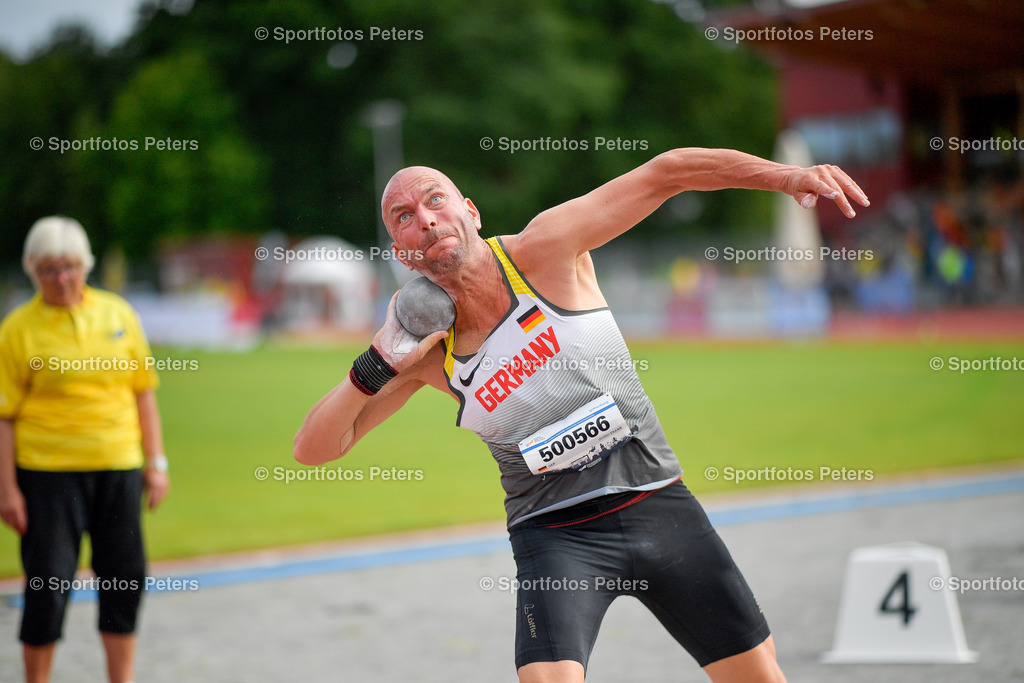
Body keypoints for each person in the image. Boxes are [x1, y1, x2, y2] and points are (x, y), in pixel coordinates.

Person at [294, 148, 868, 682]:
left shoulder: (544, 250)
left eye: (435, 199)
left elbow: (667, 172)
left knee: (758, 678)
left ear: (468, 210)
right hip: (554, 536)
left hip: (658, 502)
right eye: (404, 216)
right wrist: (376, 363)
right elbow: (317, 448)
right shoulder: (427, 349)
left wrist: (789, 177)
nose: (425, 218)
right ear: (400, 249)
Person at [0, 216, 170, 683]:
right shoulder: (17, 329)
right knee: (48, 586)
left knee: (124, 580)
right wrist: (7, 489)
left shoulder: (117, 314)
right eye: (49, 269)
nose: (61, 278)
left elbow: (143, 392)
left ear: (85, 265)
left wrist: (156, 464)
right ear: (33, 271)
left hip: (118, 467)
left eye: (70, 267)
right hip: (47, 474)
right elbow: (4, 415)